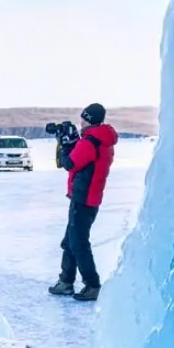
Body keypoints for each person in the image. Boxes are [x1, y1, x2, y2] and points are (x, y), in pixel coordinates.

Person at [48, 102, 118, 302]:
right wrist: (72, 143)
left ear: (88, 119)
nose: (80, 122)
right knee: (71, 239)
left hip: (83, 197)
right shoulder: (101, 140)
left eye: (83, 118)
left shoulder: (90, 142)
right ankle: (66, 281)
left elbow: (69, 163)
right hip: (90, 196)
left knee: (78, 242)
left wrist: (65, 143)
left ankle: (92, 284)